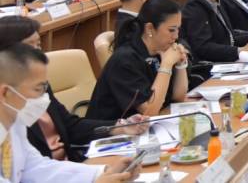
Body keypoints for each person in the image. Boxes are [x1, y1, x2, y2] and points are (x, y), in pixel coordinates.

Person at [0, 17, 145, 162]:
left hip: (69, 165)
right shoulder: (8, 106)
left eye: (38, 45)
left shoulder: (39, 84)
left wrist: (120, 127)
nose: (37, 52)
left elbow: (70, 126)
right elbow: (31, 167)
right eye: (28, 46)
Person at [0, 43, 140, 182]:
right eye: (38, 89)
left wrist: (102, 172)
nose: (44, 97)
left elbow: (37, 168)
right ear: (5, 92)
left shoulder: (14, 124)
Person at [87, 0, 189, 120]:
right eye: (171, 30)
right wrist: (166, 65)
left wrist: (180, 64)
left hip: (146, 125)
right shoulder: (125, 59)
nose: (176, 36)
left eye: (178, 29)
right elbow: (149, 111)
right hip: (112, 129)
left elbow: (178, 96)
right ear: (149, 29)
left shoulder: (161, 49)